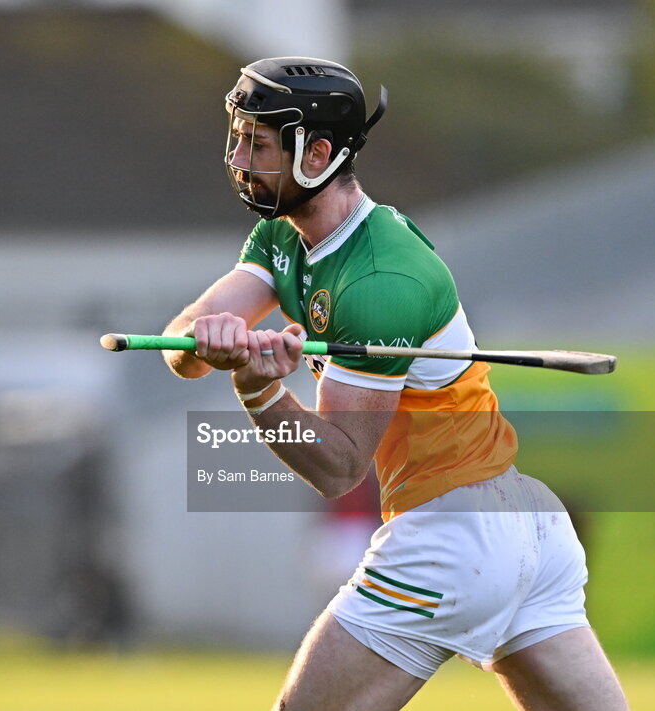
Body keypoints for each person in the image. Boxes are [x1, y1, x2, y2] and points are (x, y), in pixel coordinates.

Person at [162, 57, 628, 711]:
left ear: (318, 152)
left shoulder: (382, 280)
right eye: (239, 137)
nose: (238, 157)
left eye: (257, 143)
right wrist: (208, 339)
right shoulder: (282, 238)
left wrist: (259, 389)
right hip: (525, 524)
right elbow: (183, 342)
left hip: (451, 533)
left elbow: (338, 465)